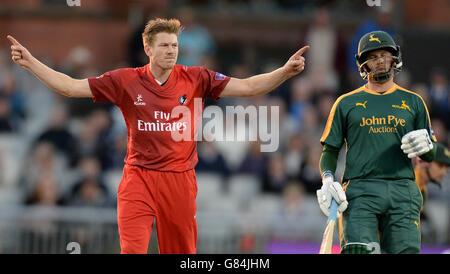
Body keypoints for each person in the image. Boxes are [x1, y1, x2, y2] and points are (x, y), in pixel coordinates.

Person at [7, 18, 309, 254]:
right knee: (133, 249)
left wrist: (283, 72)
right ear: (148, 48)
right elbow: (71, 87)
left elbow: (247, 87)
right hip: (138, 177)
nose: (171, 51)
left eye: (174, 45)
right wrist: (30, 62)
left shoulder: (197, 77)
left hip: (179, 179)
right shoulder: (124, 80)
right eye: (164, 45)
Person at [317, 30, 437, 254]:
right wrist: (327, 179)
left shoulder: (414, 102)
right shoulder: (345, 103)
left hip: (403, 188)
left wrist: (429, 147)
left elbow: (429, 154)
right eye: (372, 57)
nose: (379, 61)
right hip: (360, 191)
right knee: (359, 251)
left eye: (384, 55)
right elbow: (330, 149)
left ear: (395, 58)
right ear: (363, 64)